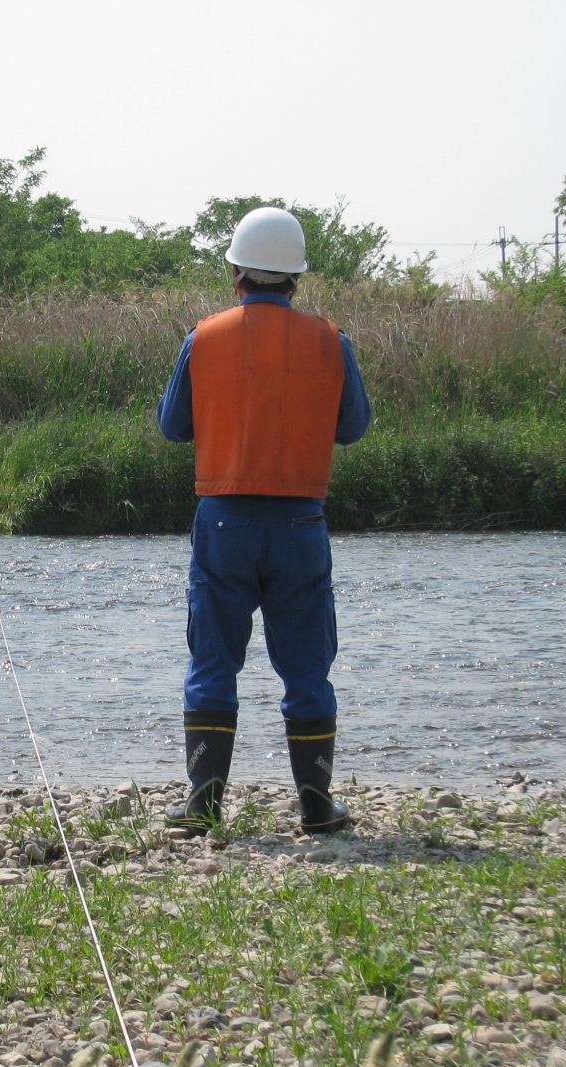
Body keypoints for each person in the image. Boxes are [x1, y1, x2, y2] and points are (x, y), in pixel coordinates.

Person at [157, 206, 373, 836]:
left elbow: (172, 427)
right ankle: (314, 806)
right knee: (307, 665)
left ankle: (204, 805)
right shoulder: (333, 342)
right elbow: (354, 429)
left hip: (223, 520)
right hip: (302, 523)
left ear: (236, 275)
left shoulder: (204, 337)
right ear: (296, 280)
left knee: (213, 660)